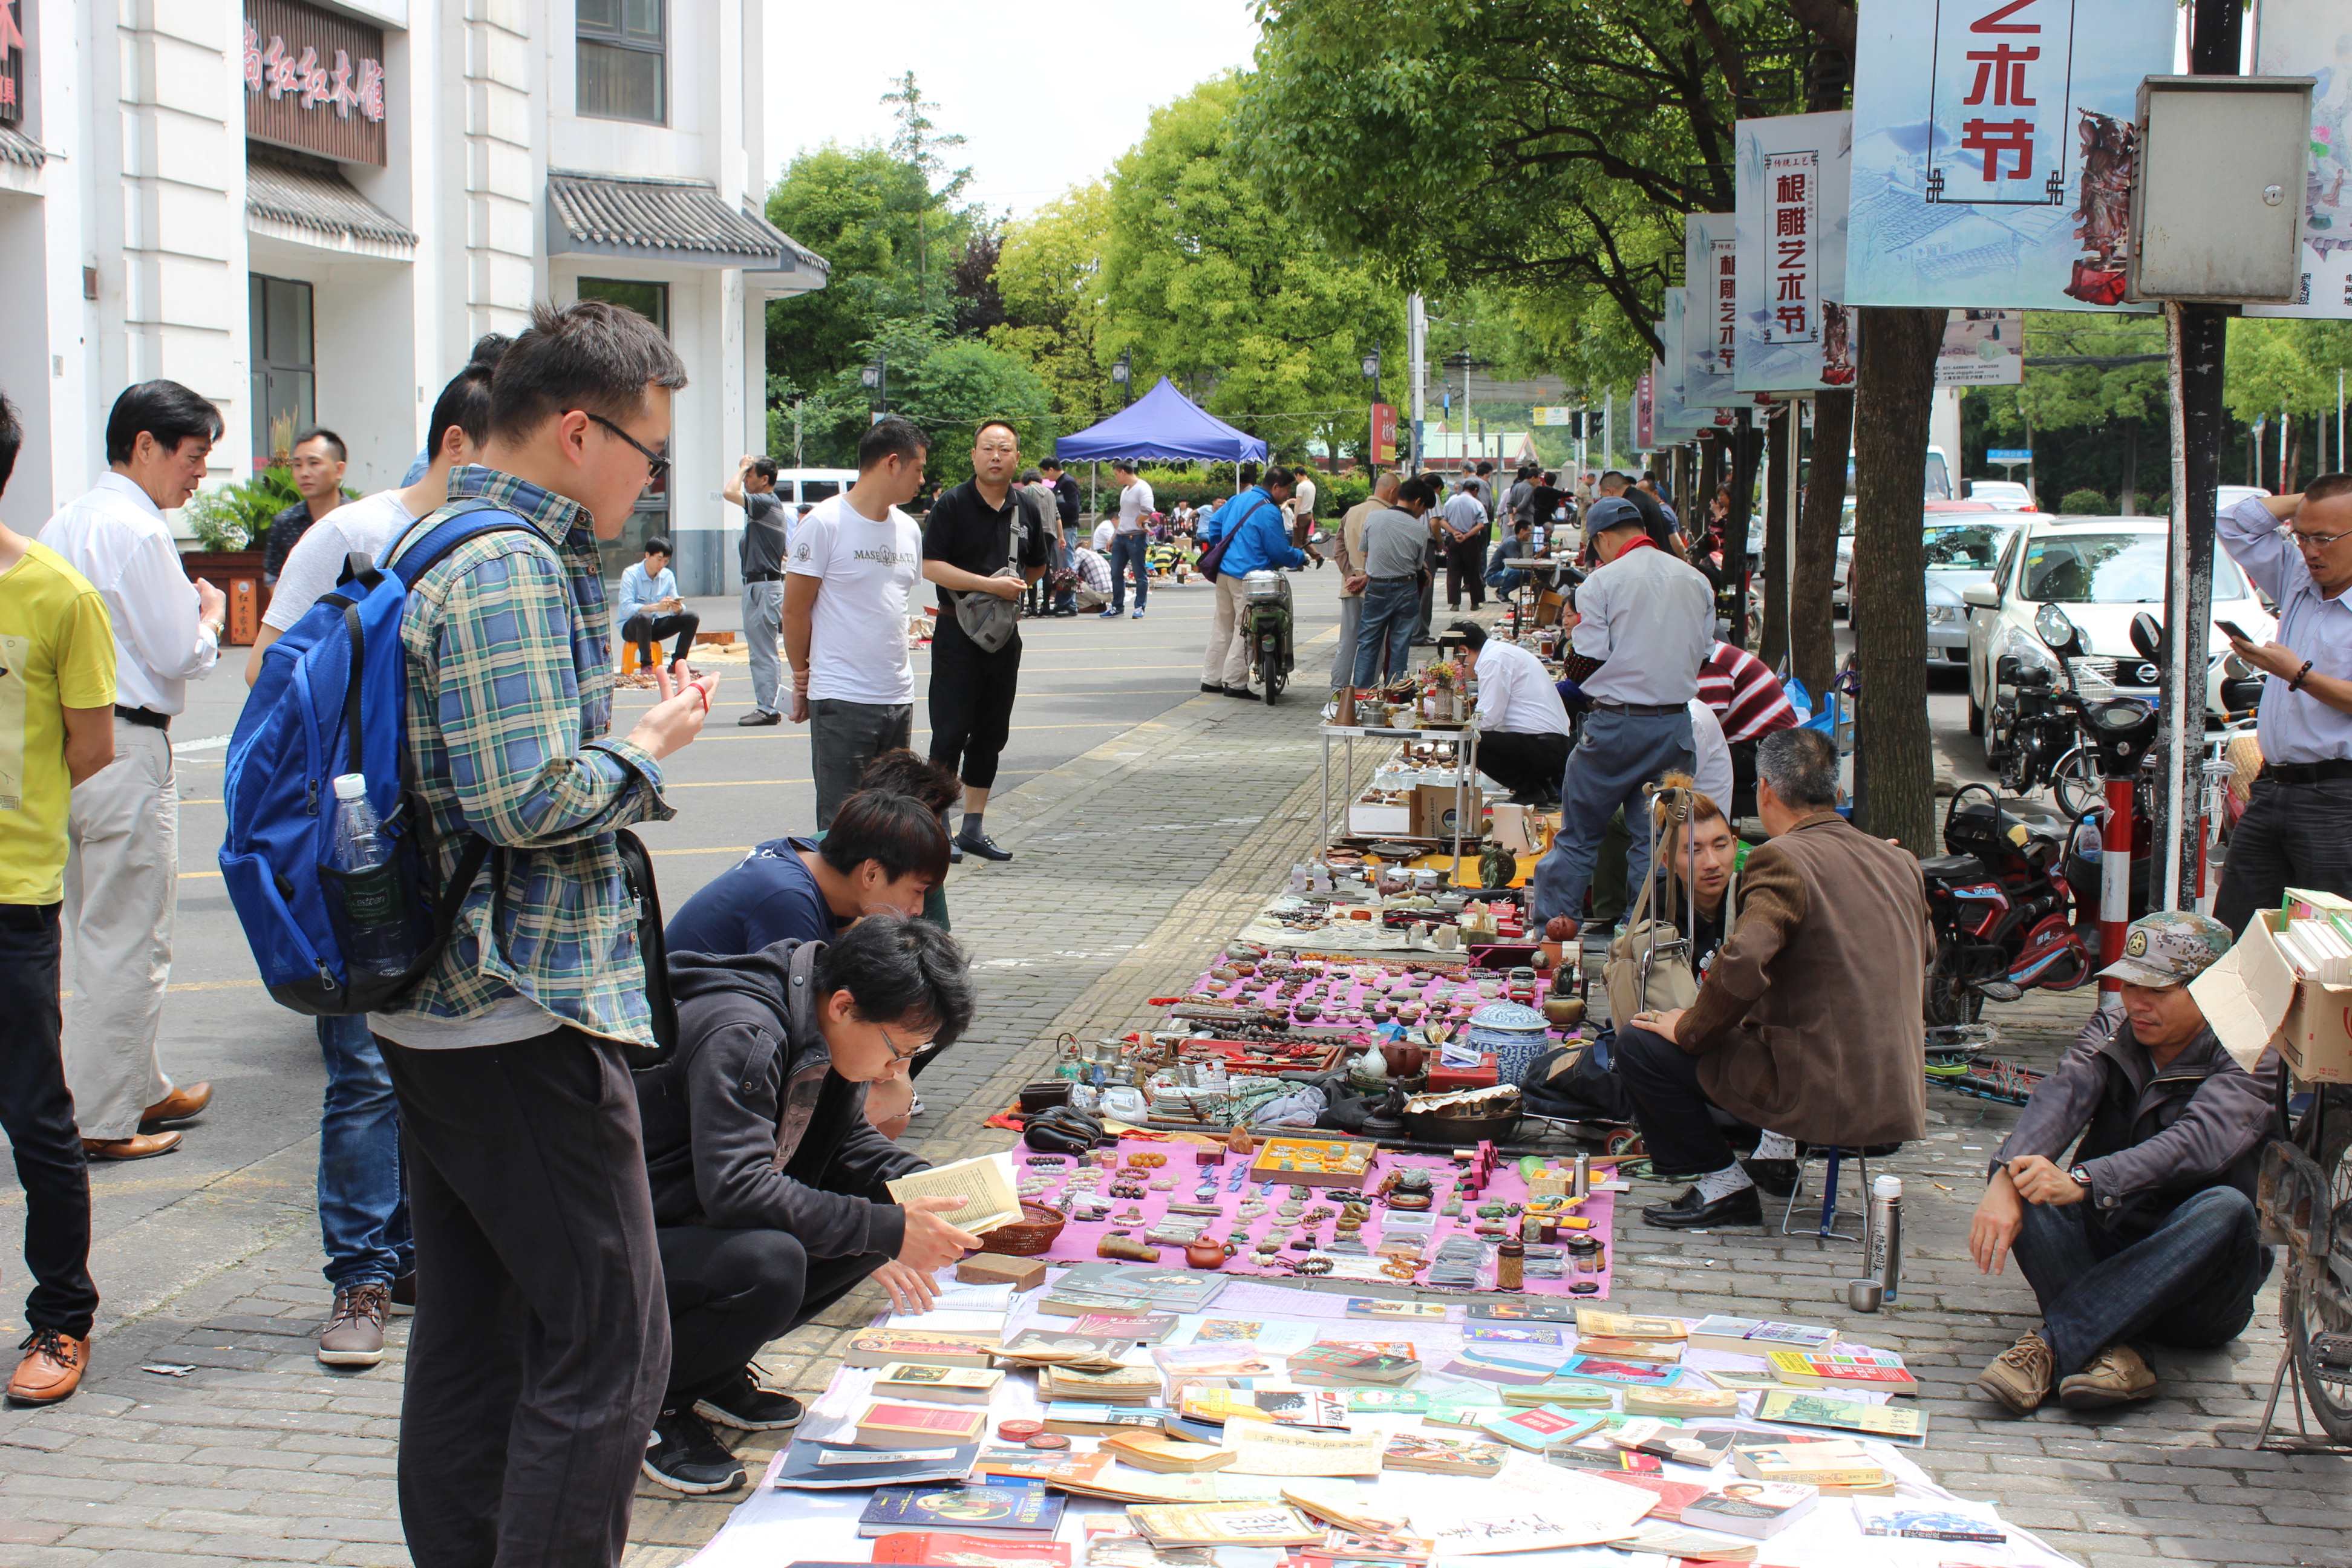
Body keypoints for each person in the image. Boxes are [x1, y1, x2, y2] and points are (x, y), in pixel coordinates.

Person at [368, 298, 714, 1566]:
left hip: (437, 1001)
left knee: (479, 1332)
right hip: (515, 1005)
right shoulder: (510, 564)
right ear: (579, 431)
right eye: (648, 449)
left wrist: (608, 735)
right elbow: (523, 801)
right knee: (614, 1341)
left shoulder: (438, 540)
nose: (652, 478)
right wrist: (644, 742)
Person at [243, 359, 497, 1365]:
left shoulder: (491, 547)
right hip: (360, 850)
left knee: (446, 1068)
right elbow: (271, 677)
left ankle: (416, 1253)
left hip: (456, 853)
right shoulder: (352, 535)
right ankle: (360, 1274)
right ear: (456, 444)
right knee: (360, 1070)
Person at [633, 915, 981, 1492]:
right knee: (775, 1262)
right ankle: (654, 1403)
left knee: (876, 1219)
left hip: (688, 1223)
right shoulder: (744, 1033)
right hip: (610, 1240)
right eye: (899, 1052)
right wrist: (889, 1230)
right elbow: (737, 1188)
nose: (897, 1073)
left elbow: (843, 1140)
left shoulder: (823, 1019)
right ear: (845, 1006)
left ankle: (709, 1370)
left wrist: (923, 1185)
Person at [1612, 729, 1932, 1229]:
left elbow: (1744, 962)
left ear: (1764, 790)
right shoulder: (1899, 860)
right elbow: (1925, 952)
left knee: (1640, 1044)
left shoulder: (1782, 857)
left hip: (1823, 1090)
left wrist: (1690, 1028)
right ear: (1836, 791)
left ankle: (1724, 1186)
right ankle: (1771, 1156)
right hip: (1894, 1091)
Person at [1970, 911, 2280, 1414]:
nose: (2137, 1002)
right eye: (2130, 985)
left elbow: (2201, 1141)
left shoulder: (2250, 1046)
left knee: (2227, 1208)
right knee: (2024, 1172)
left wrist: (2089, 1180)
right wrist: (2007, 1176)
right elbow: (2062, 1096)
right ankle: (2120, 1353)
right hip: (2108, 1248)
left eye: (2157, 991)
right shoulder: (2115, 1028)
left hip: (2200, 1289)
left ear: (2209, 990)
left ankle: (2052, 1344)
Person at [41, 381, 227, 1161]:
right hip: (125, 739)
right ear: (145, 445)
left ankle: (135, 1085)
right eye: (193, 457)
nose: (198, 476)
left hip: (71, 747)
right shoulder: (140, 532)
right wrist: (210, 616)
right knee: (130, 937)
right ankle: (105, 1118)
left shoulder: (67, 520)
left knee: (98, 927)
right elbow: (177, 649)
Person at [0, 391, 115, 1408]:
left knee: (37, 1116)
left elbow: (91, 747)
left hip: (11, 897)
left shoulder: (56, 597)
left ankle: (60, 1318)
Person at [1528, 496, 1714, 936]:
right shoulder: (1695, 580)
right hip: (1674, 727)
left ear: (1603, 539)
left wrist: (1574, 644)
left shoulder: (1602, 583)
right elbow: (1703, 657)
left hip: (1615, 728)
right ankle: (1646, 939)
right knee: (1655, 841)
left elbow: (1585, 666)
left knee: (1579, 837)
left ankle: (1554, 938)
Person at [2213, 478, 2352, 932]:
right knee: (2239, 934)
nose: (2312, 551)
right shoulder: (2299, 580)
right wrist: (2307, 502)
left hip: (2338, 798)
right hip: (2273, 787)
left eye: (2325, 539)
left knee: (2326, 944)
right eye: (2303, 536)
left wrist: (2299, 674)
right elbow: (2233, 523)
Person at [787, 417, 929, 830]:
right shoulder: (824, 522)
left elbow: (893, 604)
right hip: (843, 697)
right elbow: (796, 611)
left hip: (897, 695)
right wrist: (801, 678)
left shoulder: (908, 529)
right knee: (842, 825)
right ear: (891, 463)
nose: (923, 480)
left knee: (891, 823)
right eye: (918, 468)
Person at [921, 419, 1044, 864]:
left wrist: (1005, 601)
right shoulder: (951, 505)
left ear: (1016, 457)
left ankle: (973, 827)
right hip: (956, 633)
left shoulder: (1026, 507)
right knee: (950, 732)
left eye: (1005, 449)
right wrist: (990, 587)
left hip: (1003, 636)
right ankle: (938, 827)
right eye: (988, 448)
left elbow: (1037, 566)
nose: (996, 456)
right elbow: (931, 566)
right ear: (973, 455)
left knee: (992, 733)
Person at [664, 788, 951, 956]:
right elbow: (799, 1018)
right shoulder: (788, 899)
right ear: (871, 874)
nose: (918, 909)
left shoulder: (812, 860)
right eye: (918, 891)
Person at [1197, 468, 1303, 697]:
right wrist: (1299, 557)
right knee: (1246, 628)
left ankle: (1211, 679)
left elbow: (1214, 525)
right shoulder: (1269, 511)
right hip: (1249, 579)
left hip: (1224, 573)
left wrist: (1227, 549)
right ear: (1276, 487)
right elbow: (1278, 551)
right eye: (1286, 490)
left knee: (1222, 626)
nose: (1287, 495)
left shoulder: (1238, 498)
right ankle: (1235, 683)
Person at [1451, 621, 1570, 805]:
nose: (1456, 670)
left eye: (1453, 661)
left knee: (1468, 743)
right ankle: (1542, 788)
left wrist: (1456, 728)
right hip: (1550, 744)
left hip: (1546, 748)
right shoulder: (1499, 653)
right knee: (1475, 738)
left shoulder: (1493, 659)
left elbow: (1488, 719)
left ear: (1464, 651)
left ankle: (1529, 790)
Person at [1353, 475, 1440, 688]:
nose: (1422, 514)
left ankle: (1361, 695)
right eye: (1424, 509)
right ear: (1418, 502)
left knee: (1368, 643)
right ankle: (1395, 694)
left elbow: (1365, 550)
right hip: (1406, 588)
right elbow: (1419, 565)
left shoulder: (1374, 518)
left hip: (1376, 587)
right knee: (1400, 645)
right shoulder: (1419, 529)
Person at [1697, 638, 1798, 817]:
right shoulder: (1708, 653)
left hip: (1766, 752)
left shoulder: (1709, 663)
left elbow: (1698, 728)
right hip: (1767, 747)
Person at [726, 454, 792, 727]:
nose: (746, 481)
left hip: (764, 587)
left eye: (751, 476)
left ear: (765, 480)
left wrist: (740, 468)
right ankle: (767, 705)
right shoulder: (764, 507)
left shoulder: (765, 502)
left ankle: (768, 708)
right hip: (759, 585)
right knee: (760, 650)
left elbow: (729, 493)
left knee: (763, 651)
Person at [1333, 471, 1397, 689]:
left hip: (1350, 587)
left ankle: (1338, 691)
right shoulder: (1390, 515)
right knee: (1375, 643)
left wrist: (1351, 576)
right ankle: (1367, 691)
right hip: (1379, 587)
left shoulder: (1351, 512)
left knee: (1347, 642)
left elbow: (1339, 549)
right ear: (1393, 491)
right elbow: (1389, 554)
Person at [263, 429, 350, 587]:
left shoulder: (359, 518)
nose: (304, 473)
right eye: (297, 465)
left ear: (339, 470)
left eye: (314, 463)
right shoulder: (285, 523)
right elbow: (274, 579)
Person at [616, 537, 700, 683]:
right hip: (631, 627)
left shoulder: (667, 576)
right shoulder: (631, 574)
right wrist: (656, 607)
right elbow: (626, 608)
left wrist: (676, 607)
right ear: (648, 555)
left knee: (691, 617)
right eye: (659, 559)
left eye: (666, 561)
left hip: (653, 626)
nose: (662, 565)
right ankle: (647, 665)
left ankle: (678, 663)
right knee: (645, 617)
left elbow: (675, 605)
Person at [1104, 459, 1155, 618]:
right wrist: (1114, 537)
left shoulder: (1143, 488)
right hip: (1122, 535)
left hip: (1137, 536)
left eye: (1116, 475)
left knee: (1140, 573)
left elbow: (1148, 509)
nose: (1116, 478)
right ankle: (1117, 606)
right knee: (1116, 572)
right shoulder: (1125, 490)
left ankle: (1140, 606)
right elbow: (1123, 515)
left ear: (1123, 472)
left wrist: (1139, 522)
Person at [1441, 478, 1489, 612]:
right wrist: (1466, 535)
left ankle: (1455, 604)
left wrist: (1454, 533)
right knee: (1473, 572)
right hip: (1470, 541)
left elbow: (1442, 521)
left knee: (1453, 572)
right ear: (1475, 490)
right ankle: (1475, 603)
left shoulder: (1451, 502)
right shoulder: (1477, 504)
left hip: (1454, 540)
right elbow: (1481, 525)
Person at [1040, 458, 1082, 615]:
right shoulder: (1060, 484)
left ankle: (1070, 604)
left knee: (1066, 567)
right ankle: (1061, 602)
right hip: (1060, 529)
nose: (1046, 475)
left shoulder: (1068, 483)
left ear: (1051, 469)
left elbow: (1073, 507)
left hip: (1067, 529)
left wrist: (1054, 508)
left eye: (1045, 471)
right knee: (1059, 568)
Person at [1486, 517, 1535, 598]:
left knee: (1528, 575)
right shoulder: (1512, 543)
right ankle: (1502, 593)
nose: (1530, 534)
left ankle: (1503, 593)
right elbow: (1516, 564)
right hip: (1493, 576)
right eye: (1529, 532)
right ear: (1522, 531)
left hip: (1502, 573)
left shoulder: (1518, 542)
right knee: (1521, 574)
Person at [1289, 464, 1322, 567]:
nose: (1296, 479)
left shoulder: (1301, 486)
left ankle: (1298, 565)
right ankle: (1318, 557)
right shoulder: (1312, 485)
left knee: (1297, 542)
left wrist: (1295, 519)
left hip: (1302, 516)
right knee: (1304, 540)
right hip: (1309, 515)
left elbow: (1298, 504)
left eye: (1296, 477)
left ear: (1298, 475)